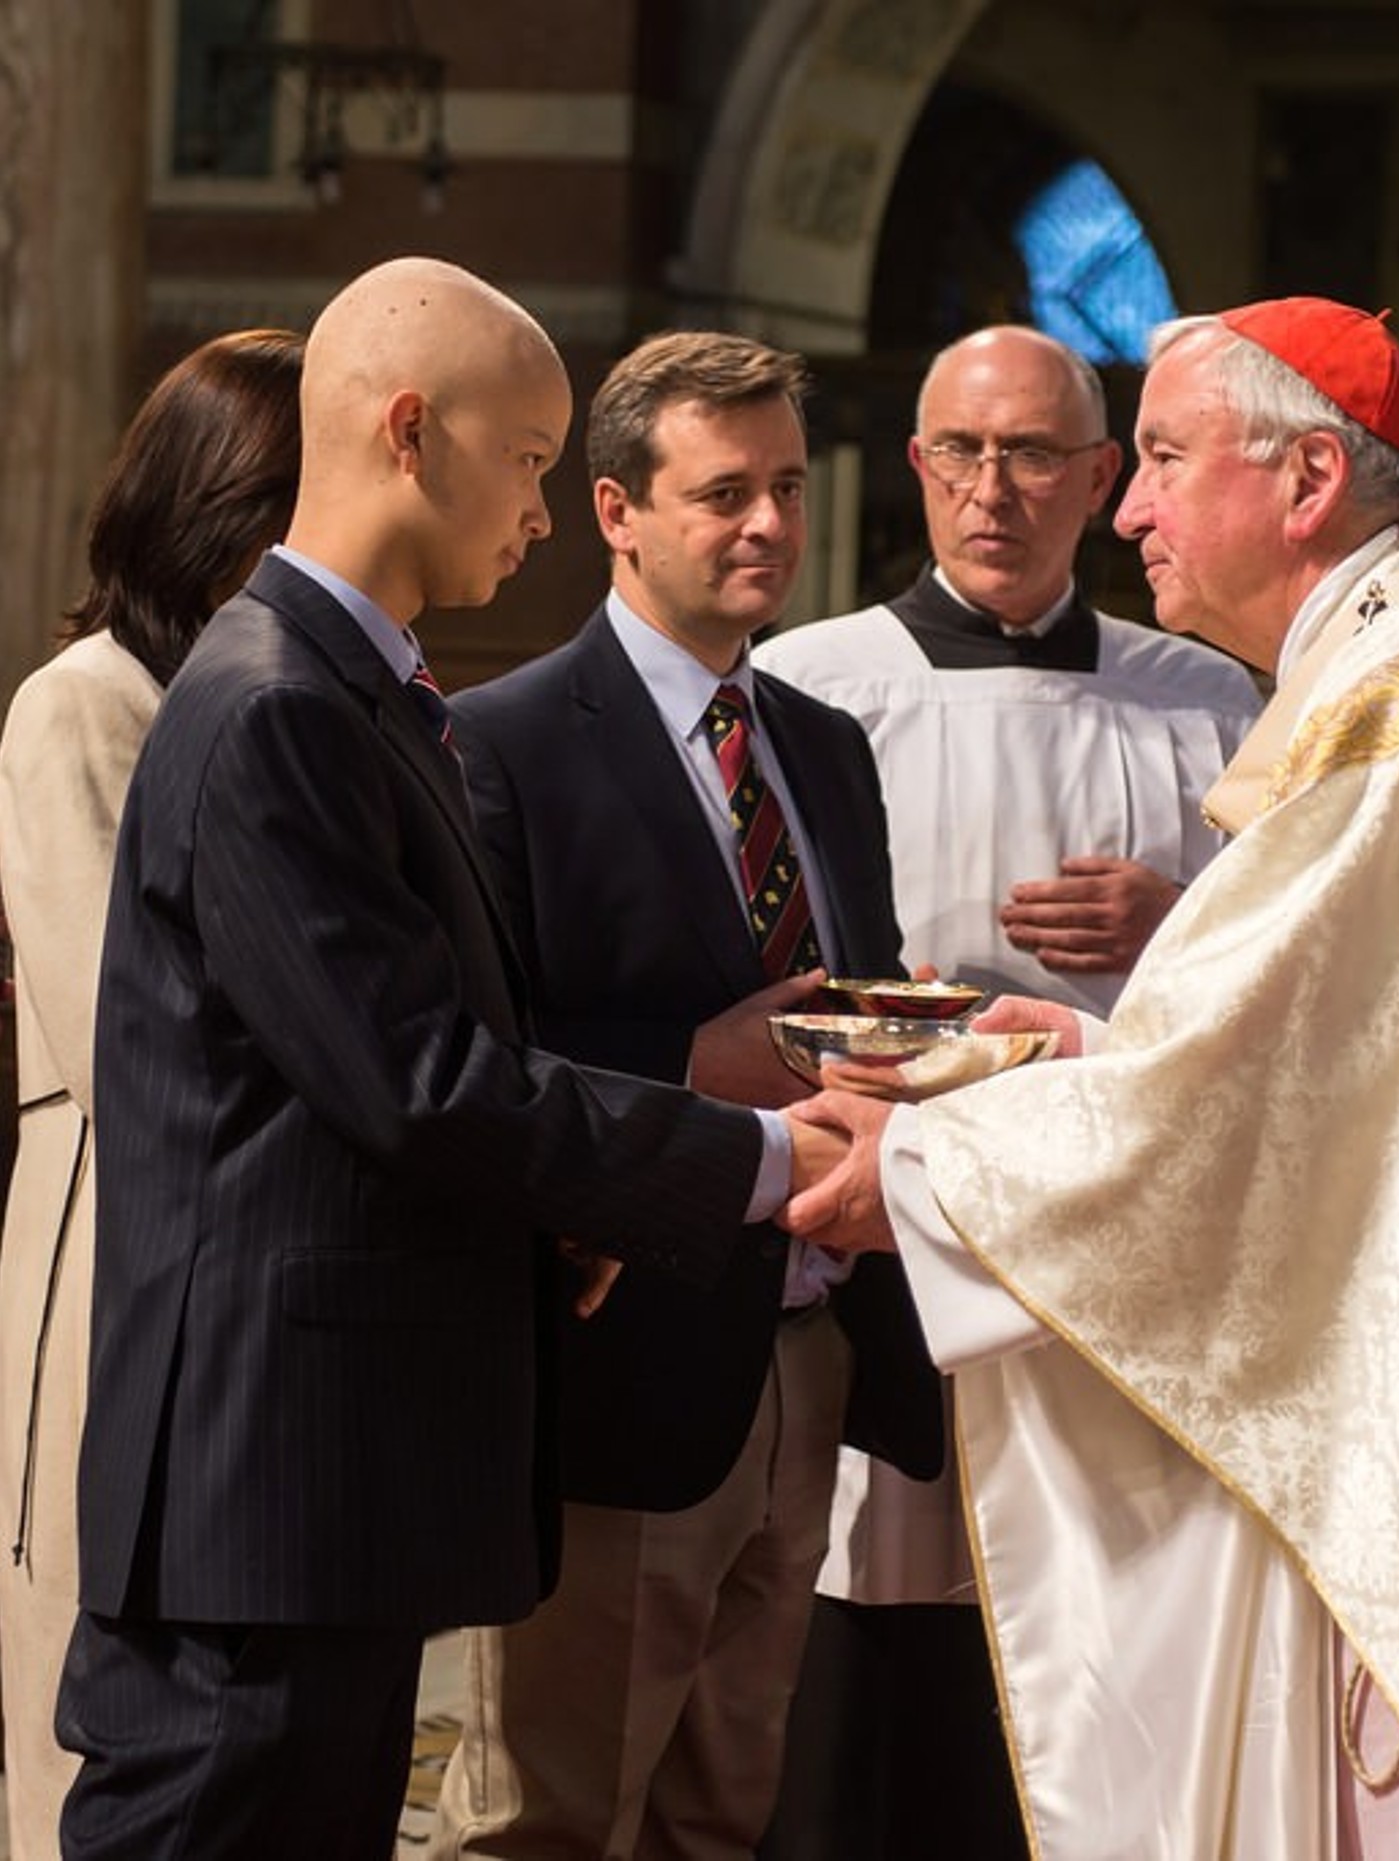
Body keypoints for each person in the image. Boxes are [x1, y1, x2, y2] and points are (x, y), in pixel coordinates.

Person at [784, 297, 1399, 1856]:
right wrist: (1085, 1050)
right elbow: (1345, 1081)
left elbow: (1244, 1118)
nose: (1130, 507)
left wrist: (925, 1166)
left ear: (1303, 484)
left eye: (1157, 456)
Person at [53, 259, 838, 1861]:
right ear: (413, 433)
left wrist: (563, 1208)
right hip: (256, 1502)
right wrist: (760, 1160)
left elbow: (388, 1081)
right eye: (536, 460)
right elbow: (417, 1083)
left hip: (335, 1488)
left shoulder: (372, 698)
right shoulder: (277, 705)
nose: (549, 515)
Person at [427, 331, 942, 1861]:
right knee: (549, 1820)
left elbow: (863, 983)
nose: (770, 525)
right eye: (724, 492)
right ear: (615, 509)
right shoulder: (500, 742)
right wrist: (689, 1066)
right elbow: (468, 1059)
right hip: (624, 1358)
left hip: (808, 1348)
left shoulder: (826, 748)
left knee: (721, 1816)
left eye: (786, 486)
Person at [754, 324, 1260, 1858]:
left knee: (1077, 1655)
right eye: (961, 451)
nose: (995, 489)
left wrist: (1176, 919)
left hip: (1110, 1247)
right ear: (914, 464)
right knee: (858, 1654)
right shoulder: (805, 681)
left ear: (1104, 478)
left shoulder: (1214, 702)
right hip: (878, 1219)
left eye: (1037, 453)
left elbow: (1291, 989)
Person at [0, 328, 304, 1861]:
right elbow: (120, 1021)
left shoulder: (267, 696)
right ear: (213, 505)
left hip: (228, 1265)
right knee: (91, 1713)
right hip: (116, 1239)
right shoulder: (85, 703)